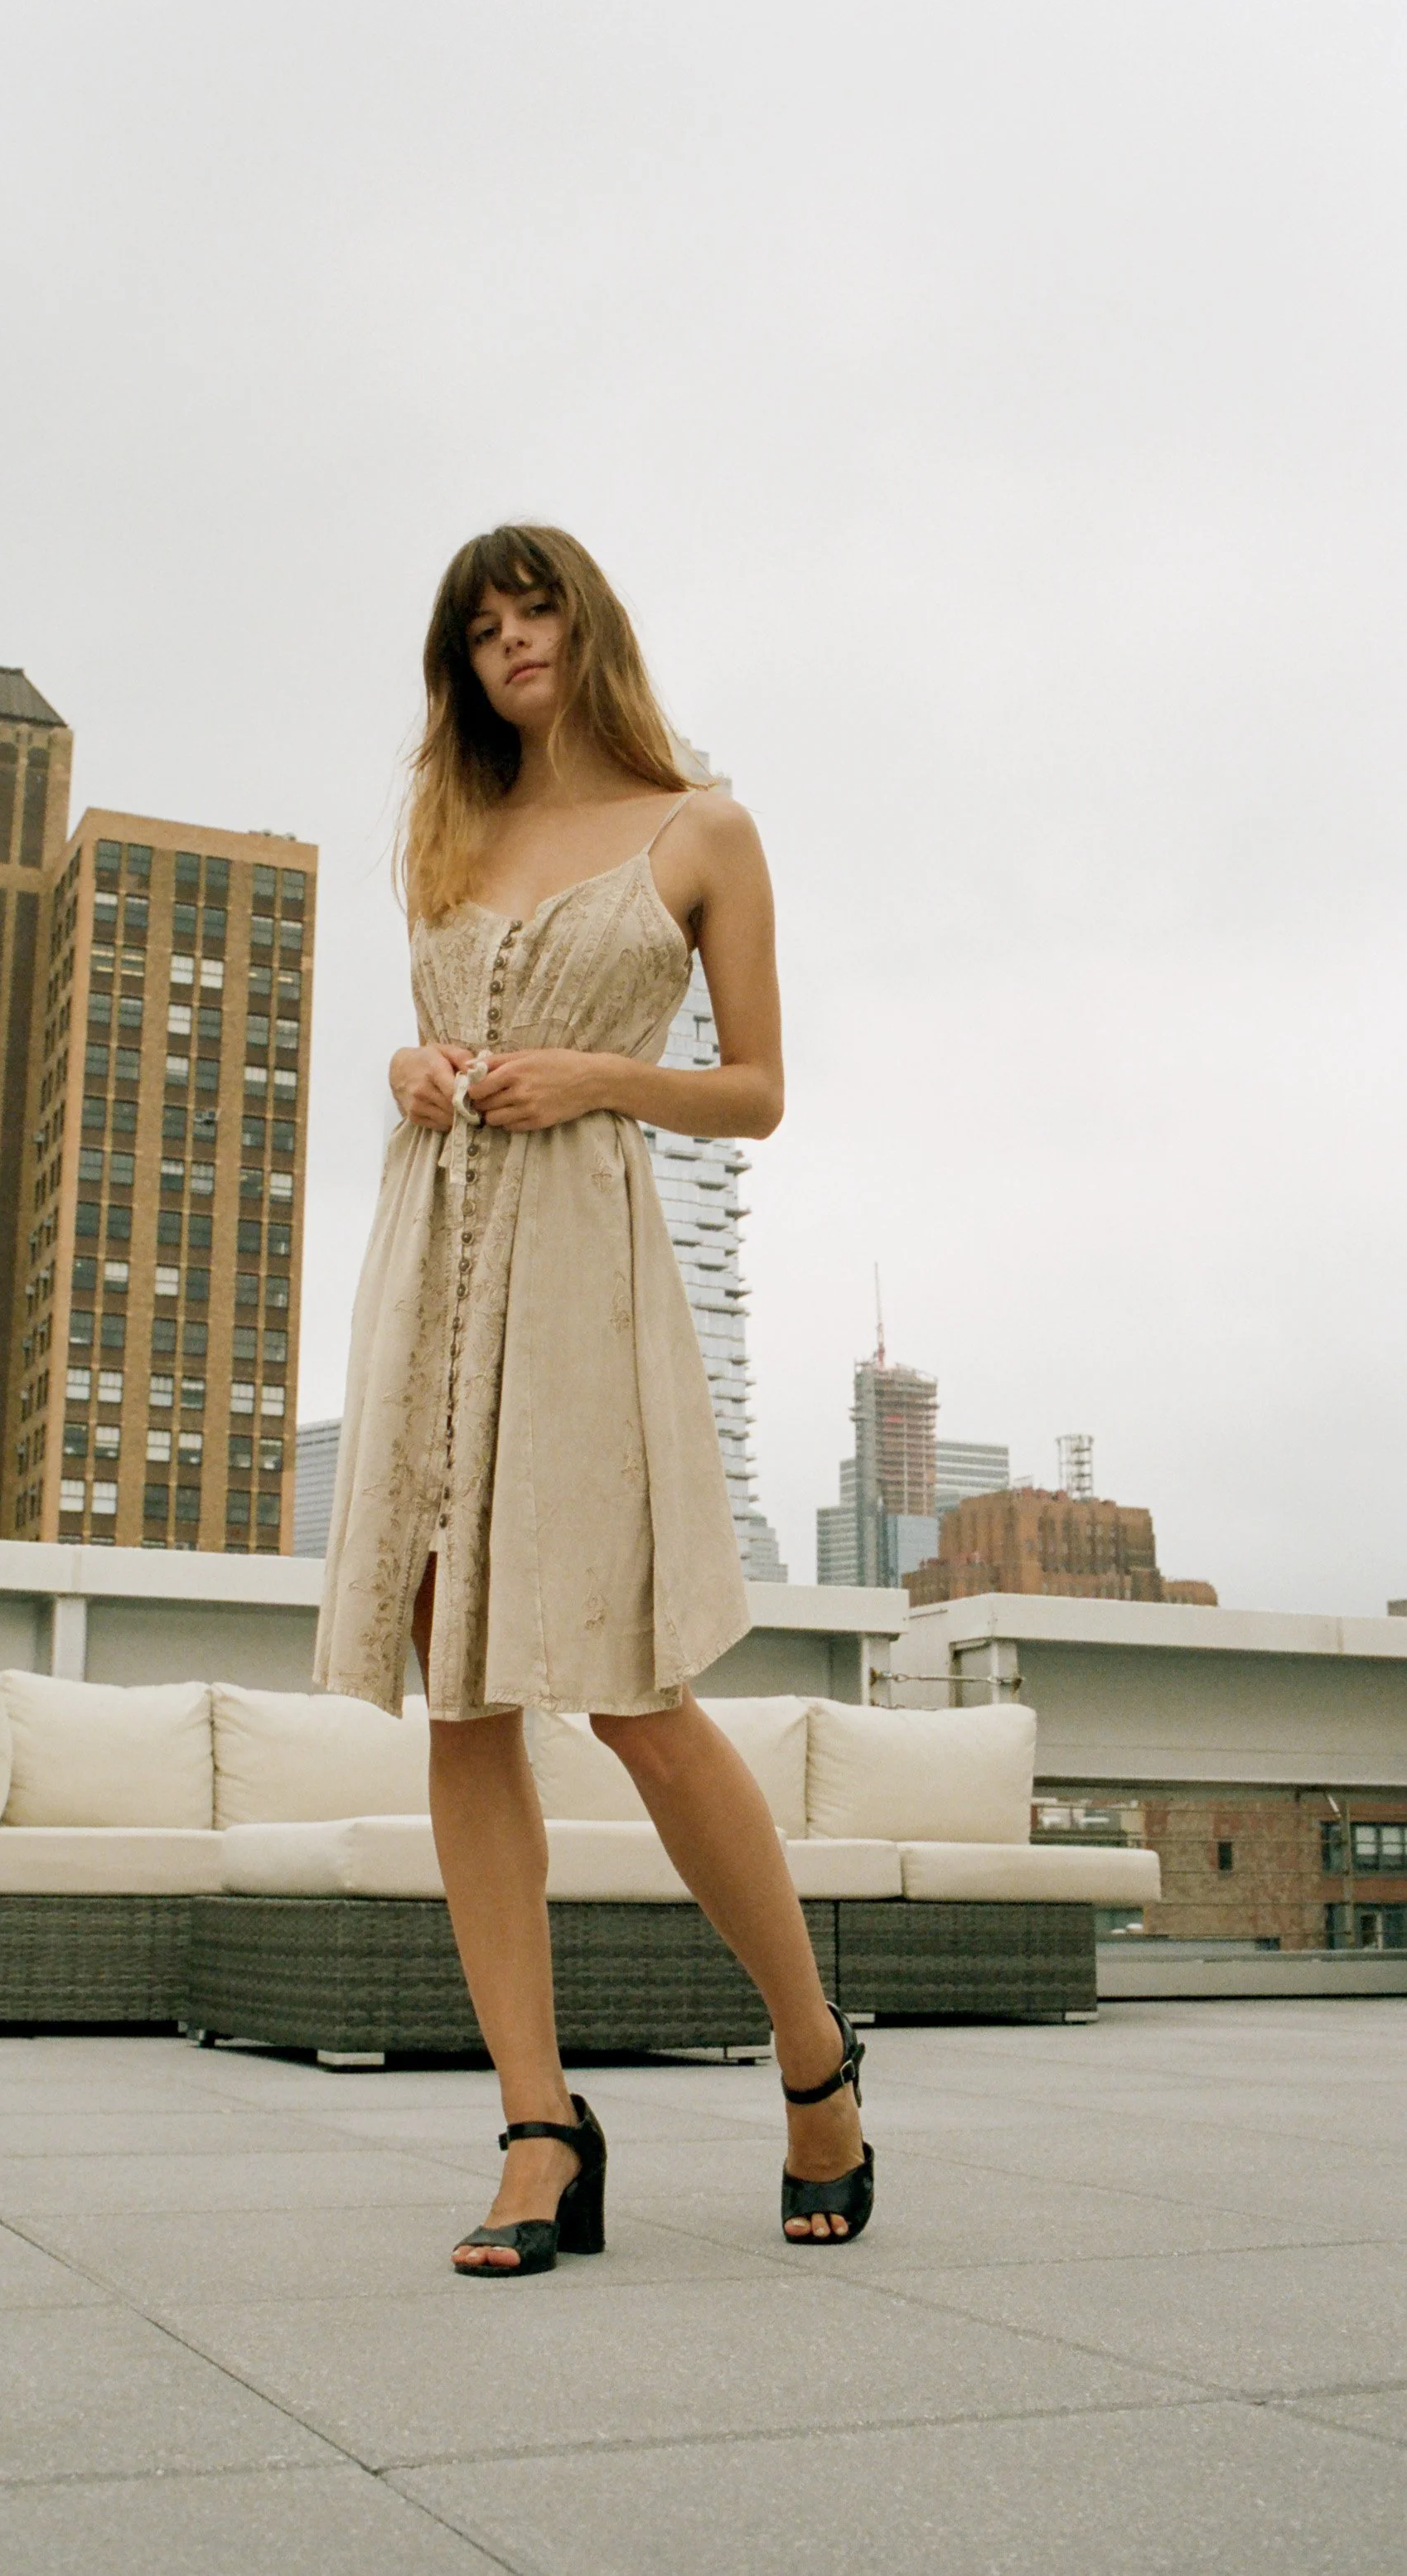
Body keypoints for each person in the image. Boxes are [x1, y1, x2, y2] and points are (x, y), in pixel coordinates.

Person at [314, 523, 873, 2273]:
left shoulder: (698, 827)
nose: (505, 641)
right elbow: (428, 1037)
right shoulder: (446, 833)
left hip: (581, 1262)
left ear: (586, 623)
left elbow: (759, 1088)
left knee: (632, 1684)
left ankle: (814, 2061)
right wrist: (411, 1064)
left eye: (529, 608)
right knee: (458, 1695)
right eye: (476, 626)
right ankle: (536, 2124)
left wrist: (593, 1076)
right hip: (432, 1258)